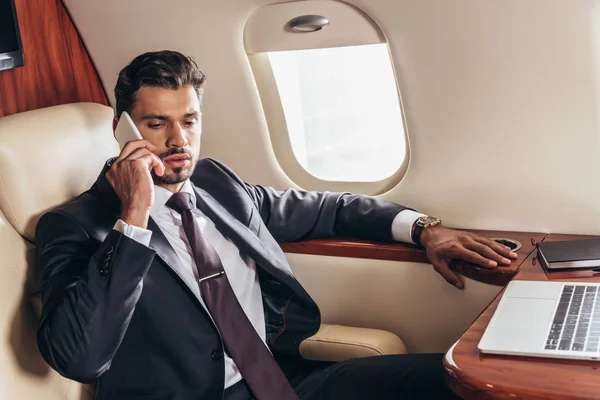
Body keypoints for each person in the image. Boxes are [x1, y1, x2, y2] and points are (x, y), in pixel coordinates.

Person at [36, 50, 516, 400]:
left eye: (190, 120)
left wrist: (424, 228)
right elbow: (79, 357)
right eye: (157, 124)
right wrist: (134, 217)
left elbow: (327, 208)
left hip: (283, 382)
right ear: (123, 130)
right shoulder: (76, 226)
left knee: (464, 383)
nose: (180, 139)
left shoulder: (217, 183)